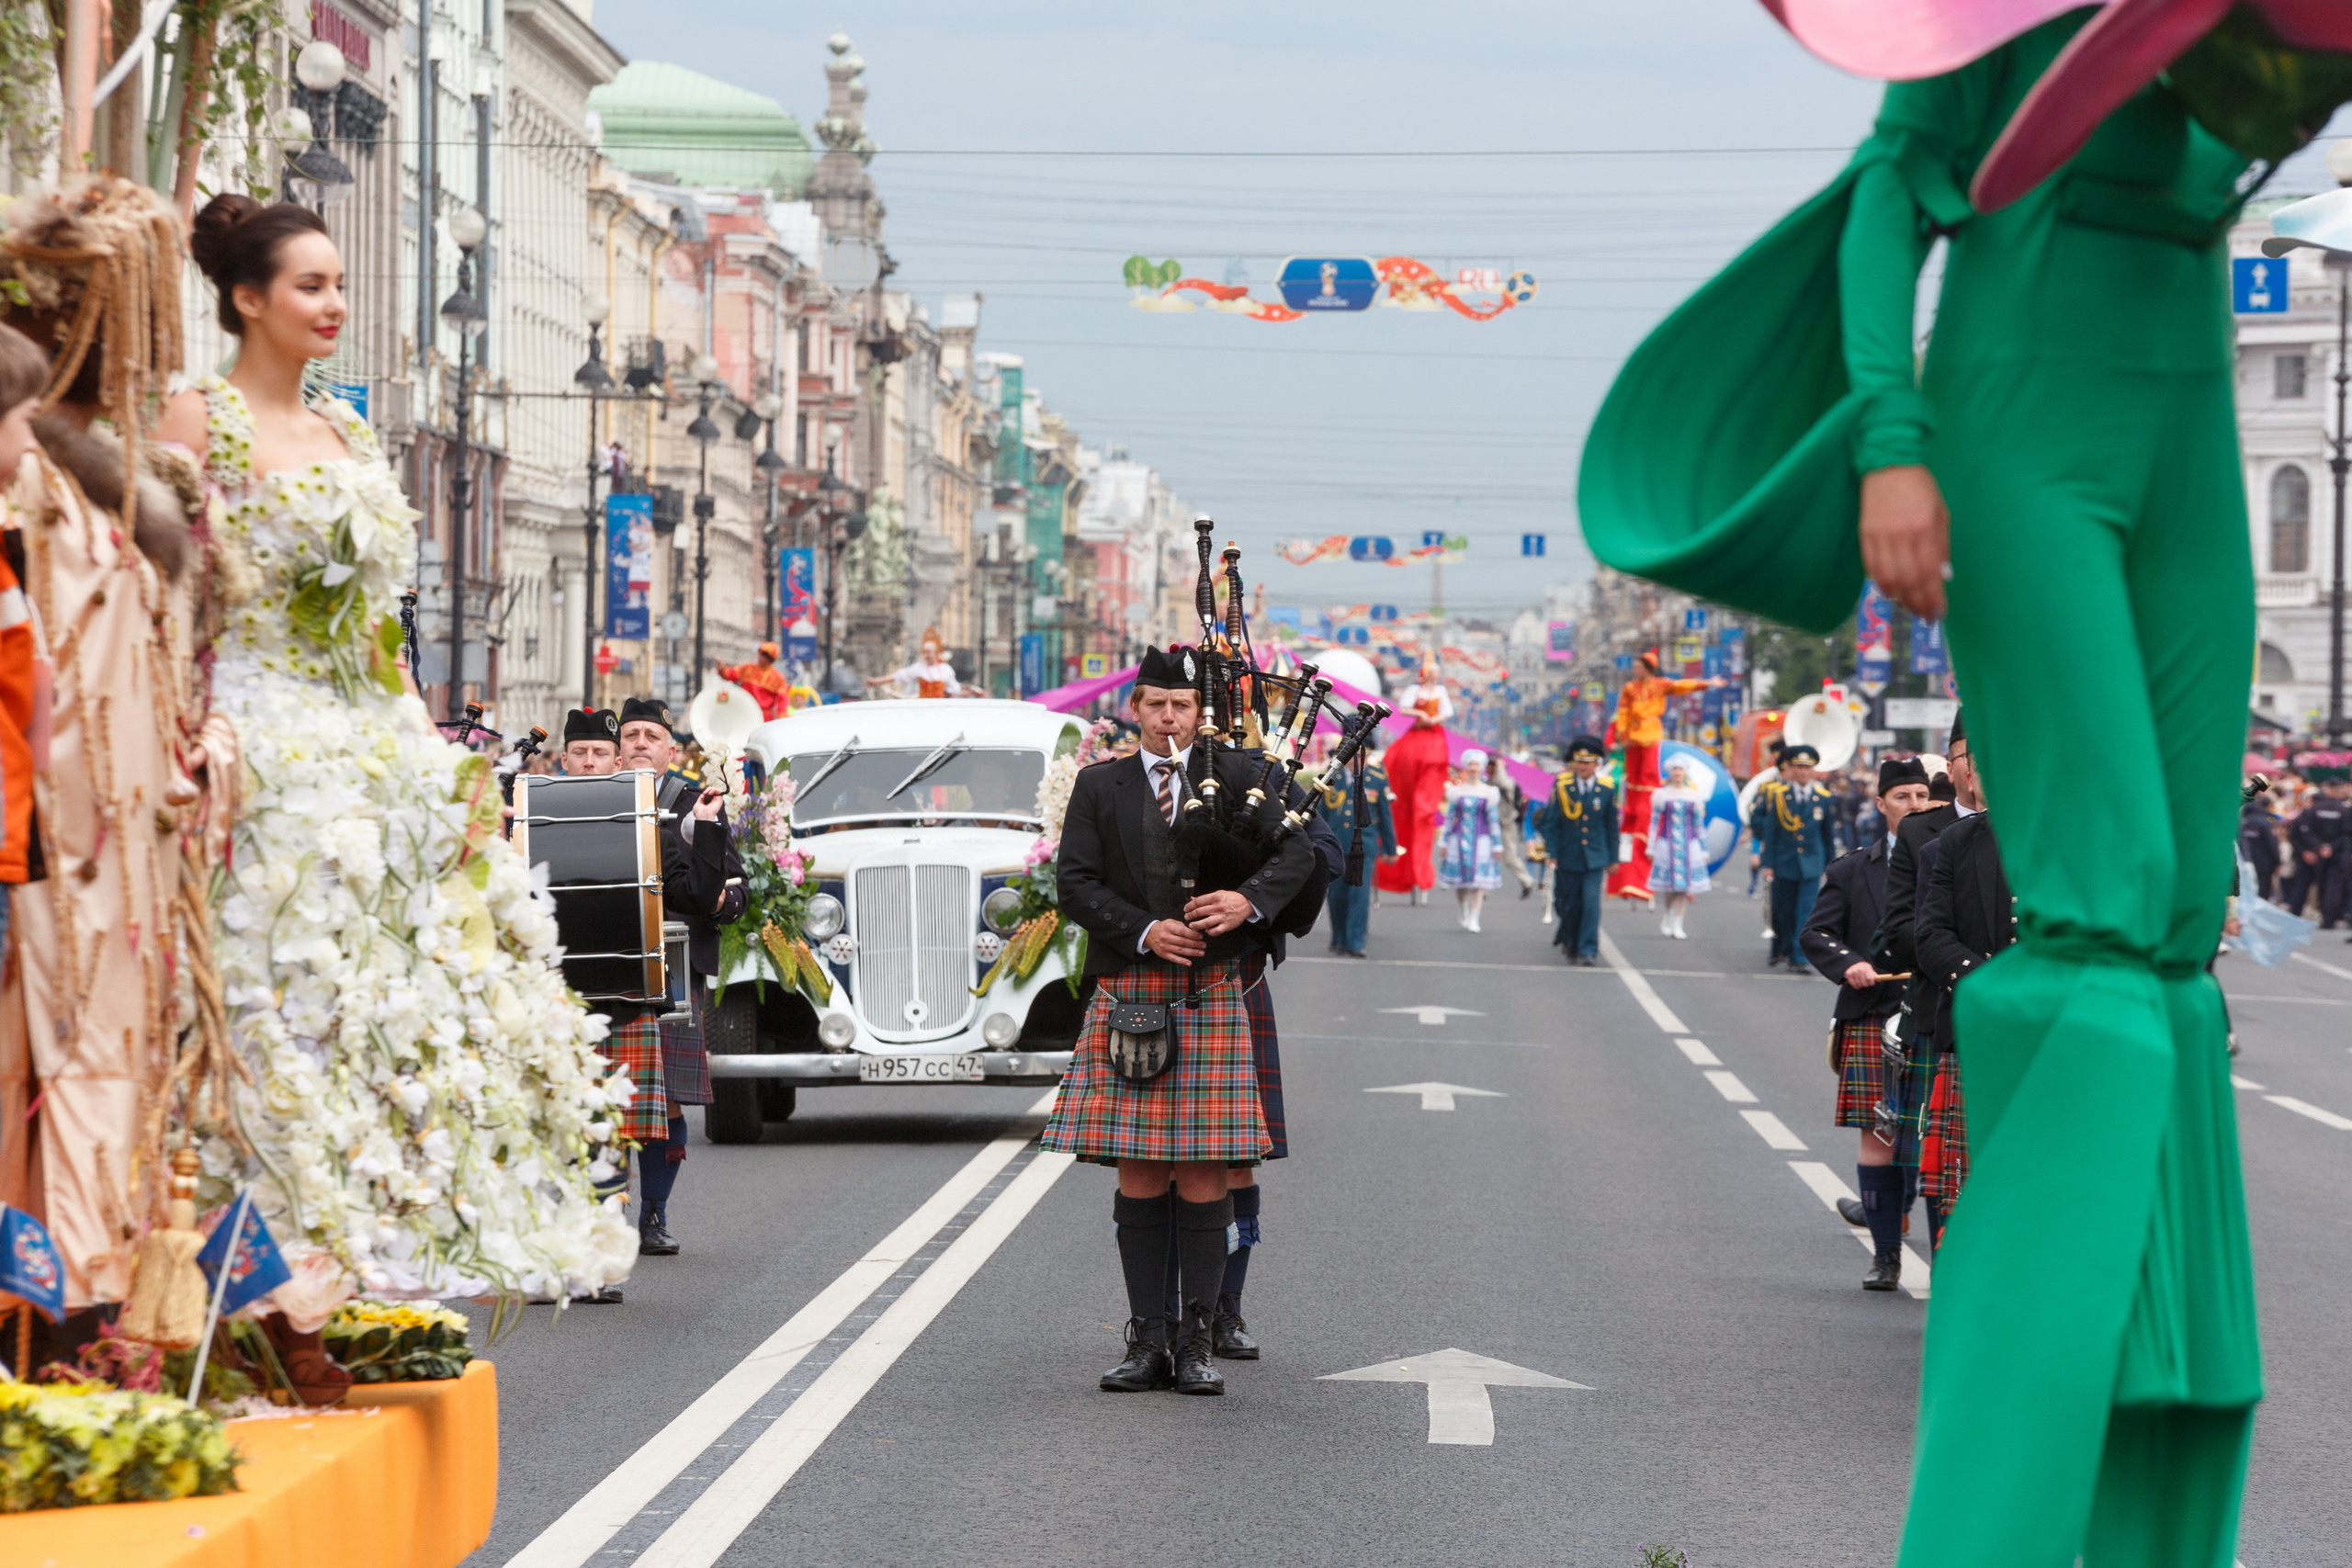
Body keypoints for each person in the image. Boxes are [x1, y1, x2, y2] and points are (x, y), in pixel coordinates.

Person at [1581, 8, 2327, 1551]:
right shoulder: (2008, 16)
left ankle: (2154, 1498)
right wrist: (1892, 439)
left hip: (2185, 421)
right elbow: (1889, 191)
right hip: (2019, 426)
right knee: (2106, 919)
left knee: (2181, 923)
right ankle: (1998, 1514)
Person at [146, 194, 637, 1314]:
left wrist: (425, 746)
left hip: (370, 740)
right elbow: (166, 602)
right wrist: (186, 733)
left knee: (394, 988)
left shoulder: (350, 432)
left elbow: (377, 625)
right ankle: (258, 1255)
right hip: (254, 733)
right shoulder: (196, 423)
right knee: (281, 990)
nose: (332, 305)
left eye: (338, 284)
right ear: (245, 298)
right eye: (309, 286)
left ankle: (366, 1249)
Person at [1043, 645, 1329, 1396]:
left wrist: (1248, 901)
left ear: (1200, 713)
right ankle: (1148, 1341)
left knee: (1204, 1167)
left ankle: (1197, 1340)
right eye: (1156, 705)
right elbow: (1073, 881)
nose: (1169, 718)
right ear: (1133, 709)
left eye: (1182, 706)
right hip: (1133, 989)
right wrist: (1142, 929)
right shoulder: (1100, 785)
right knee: (1139, 1166)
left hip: (1211, 991)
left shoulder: (1239, 778)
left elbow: (1301, 856)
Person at [553, 705, 737, 1295]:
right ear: (564, 761)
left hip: (633, 989)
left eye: (601, 753)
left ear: (620, 763)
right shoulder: (536, 811)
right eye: (581, 753)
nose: (593, 761)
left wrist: (707, 831)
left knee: (615, 1128)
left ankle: (609, 1254)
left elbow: (698, 893)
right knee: (561, 1127)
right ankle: (562, 1248)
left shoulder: (654, 818)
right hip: (554, 995)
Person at [616, 695, 749, 1256]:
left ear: (672, 749)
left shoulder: (696, 802)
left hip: (671, 966)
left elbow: (738, 889)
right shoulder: (592, 799)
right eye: (632, 736)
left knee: (664, 1097)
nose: (641, 744)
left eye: (652, 736)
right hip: (606, 964)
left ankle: (653, 1213)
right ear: (618, 748)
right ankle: (599, 1214)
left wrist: (720, 898)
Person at [1801, 756, 1932, 1289]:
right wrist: (1849, 963)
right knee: (1880, 1138)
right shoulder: (1853, 869)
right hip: (1873, 1012)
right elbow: (1816, 933)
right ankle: (1886, 1257)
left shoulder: (1954, 858)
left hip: (1933, 1016)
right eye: (1902, 797)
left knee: (1928, 1141)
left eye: (1922, 795)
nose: (1915, 805)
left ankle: (1904, 1216)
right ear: (1881, 805)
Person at [1915, 764, 2016, 1249]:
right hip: (1974, 1030)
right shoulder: (1957, 842)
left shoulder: (2078, 847)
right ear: (1974, 781)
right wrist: (1987, 985)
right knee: (1962, 1184)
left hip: (2053, 1036)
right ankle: (1958, 1298)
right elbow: (1931, 935)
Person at [1606, 651, 1723, 900]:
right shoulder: (1629, 688)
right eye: (1634, 666)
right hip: (1634, 737)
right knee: (1631, 776)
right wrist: (1623, 735)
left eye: (1639, 666)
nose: (1635, 670)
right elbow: (1623, 711)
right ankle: (1633, 800)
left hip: (1650, 733)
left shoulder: (1660, 685)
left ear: (1648, 667)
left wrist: (1708, 683)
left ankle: (1646, 797)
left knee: (1648, 774)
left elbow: (1682, 686)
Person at [1533, 735, 1618, 966]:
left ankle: (1588, 949)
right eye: (1578, 761)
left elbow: (1611, 826)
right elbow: (1551, 824)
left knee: (1591, 903)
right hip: (1566, 856)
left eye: (1587, 762)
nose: (1582, 766)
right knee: (1567, 904)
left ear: (1596, 764)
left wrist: (1613, 858)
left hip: (1594, 857)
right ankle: (1569, 940)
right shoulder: (1562, 787)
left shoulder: (1607, 789)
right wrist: (1552, 853)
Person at [1749, 743, 1836, 968]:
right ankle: (1785, 947)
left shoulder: (1823, 798)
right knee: (1783, 911)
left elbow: (1828, 835)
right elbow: (1771, 832)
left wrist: (1831, 866)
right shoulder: (1779, 796)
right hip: (1784, 861)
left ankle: (1800, 957)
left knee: (1806, 912)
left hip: (1812, 863)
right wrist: (1768, 863)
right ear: (1791, 768)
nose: (1803, 772)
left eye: (1807, 767)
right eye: (1798, 766)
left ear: (1814, 770)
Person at [1374, 659, 1452, 904]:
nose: (1436, 677)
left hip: (1433, 738)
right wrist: (1420, 713)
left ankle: (1425, 803)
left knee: (1429, 782)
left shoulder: (1440, 692)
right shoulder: (1414, 691)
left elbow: (1447, 711)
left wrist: (1435, 718)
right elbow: (1404, 707)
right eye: (1433, 673)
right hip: (1416, 738)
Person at [1313, 743, 1396, 958]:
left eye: (1363, 755)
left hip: (1363, 846)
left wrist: (1390, 848)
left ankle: (1356, 941)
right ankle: (1339, 938)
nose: (1358, 760)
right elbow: (1320, 815)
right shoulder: (1333, 777)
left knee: (1359, 896)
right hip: (1336, 844)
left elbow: (1385, 817)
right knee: (1336, 896)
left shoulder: (1377, 779)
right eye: (1353, 755)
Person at [1645, 756, 1713, 939]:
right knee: (1670, 885)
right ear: (1670, 772)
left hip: (1689, 845)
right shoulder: (1661, 794)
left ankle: (1678, 922)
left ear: (1685, 772)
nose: (1677, 773)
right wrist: (1650, 847)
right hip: (1667, 844)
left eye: (1680, 769)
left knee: (1684, 886)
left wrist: (1704, 849)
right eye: (1674, 769)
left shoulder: (1694, 795)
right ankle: (1668, 914)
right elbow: (1653, 823)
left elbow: (1698, 824)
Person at [1437, 750, 1503, 932]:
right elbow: (1449, 818)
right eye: (1471, 765)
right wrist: (1443, 842)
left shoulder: (1489, 792)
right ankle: (1462, 908)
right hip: (1458, 840)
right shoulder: (1456, 792)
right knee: (1460, 883)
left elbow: (1493, 820)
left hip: (1481, 840)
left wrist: (1497, 844)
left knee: (1478, 883)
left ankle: (1475, 917)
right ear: (1466, 767)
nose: (1474, 768)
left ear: (1481, 768)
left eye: (1477, 765)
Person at [2282, 776, 2349, 927]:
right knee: (2332, 887)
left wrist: (2318, 847)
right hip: (2336, 854)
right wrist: (2331, 847)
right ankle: (2328, 919)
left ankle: (2303, 915)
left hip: (2317, 854)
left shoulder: (2314, 811)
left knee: (2322, 885)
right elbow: (2346, 834)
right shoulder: (2344, 810)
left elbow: (2306, 833)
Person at [866, 626, 972, 699]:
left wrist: (970, 693)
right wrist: (877, 681)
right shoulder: (920, 668)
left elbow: (954, 691)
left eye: (929, 652)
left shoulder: (946, 669)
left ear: (936, 653)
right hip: (923, 706)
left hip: (941, 707)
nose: (926, 656)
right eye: (924, 653)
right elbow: (900, 676)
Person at [717, 641, 794, 722]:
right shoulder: (748, 668)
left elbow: (782, 702)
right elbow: (731, 674)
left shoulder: (778, 678)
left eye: (764, 655)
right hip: (744, 711)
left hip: (763, 717)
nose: (760, 657)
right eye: (760, 654)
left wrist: (782, 719)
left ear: (770, 659)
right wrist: (722, 669)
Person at [2238, 788, 2282, 904]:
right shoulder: (2266, 821)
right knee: (2263, 890)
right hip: (2264, 863)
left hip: (2243, 861)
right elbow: (2272, 843)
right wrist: (2277, 861)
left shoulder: (2241, 821)